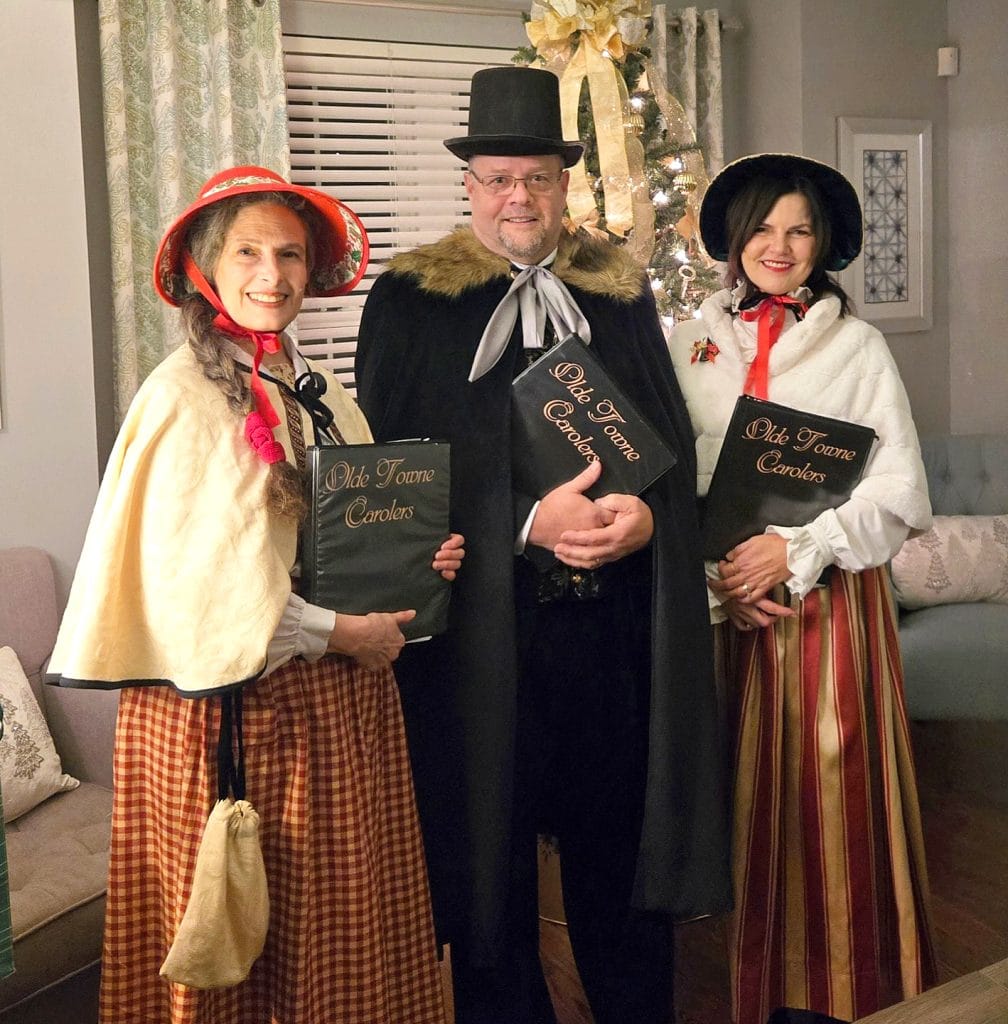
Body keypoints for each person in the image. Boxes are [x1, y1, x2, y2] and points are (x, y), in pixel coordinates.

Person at [354, 66, 730, 1024]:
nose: (517, 197)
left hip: (606, 636)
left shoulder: (619, 295)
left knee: (618, 858)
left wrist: (647, 517)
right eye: (497, 179)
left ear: (566, 185)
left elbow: (666, 449)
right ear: (469, 185)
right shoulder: (410, 301)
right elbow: (395, 479)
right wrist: (526, 522)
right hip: (481, 637)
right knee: (490, 865)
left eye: (536, 178)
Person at [48, 166, 464, 1024]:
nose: (271, 274)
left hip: (333, 705)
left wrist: (417, 560)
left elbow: (346, 533)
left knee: (334, 932)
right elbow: (200, 591)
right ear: (207, 265)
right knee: (245, 945)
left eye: (290, 254)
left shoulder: (315, 386)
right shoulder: (183, 399)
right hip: (230, 718)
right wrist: (340, 632)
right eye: (247, 252)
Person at [667, 153, 936, 1024]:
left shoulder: (858, 347)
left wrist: (798, 550)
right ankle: (762, 988)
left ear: (823, 246)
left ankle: (846, 992)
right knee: (747, 806)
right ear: (733, 238)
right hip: (727, 607)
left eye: (799, 231)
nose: (778, 247)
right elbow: (671, 480)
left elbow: (899, 492)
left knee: (831, 799)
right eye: (763, 228)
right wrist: (722, 574)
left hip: (830, 611)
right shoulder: (690, 343)